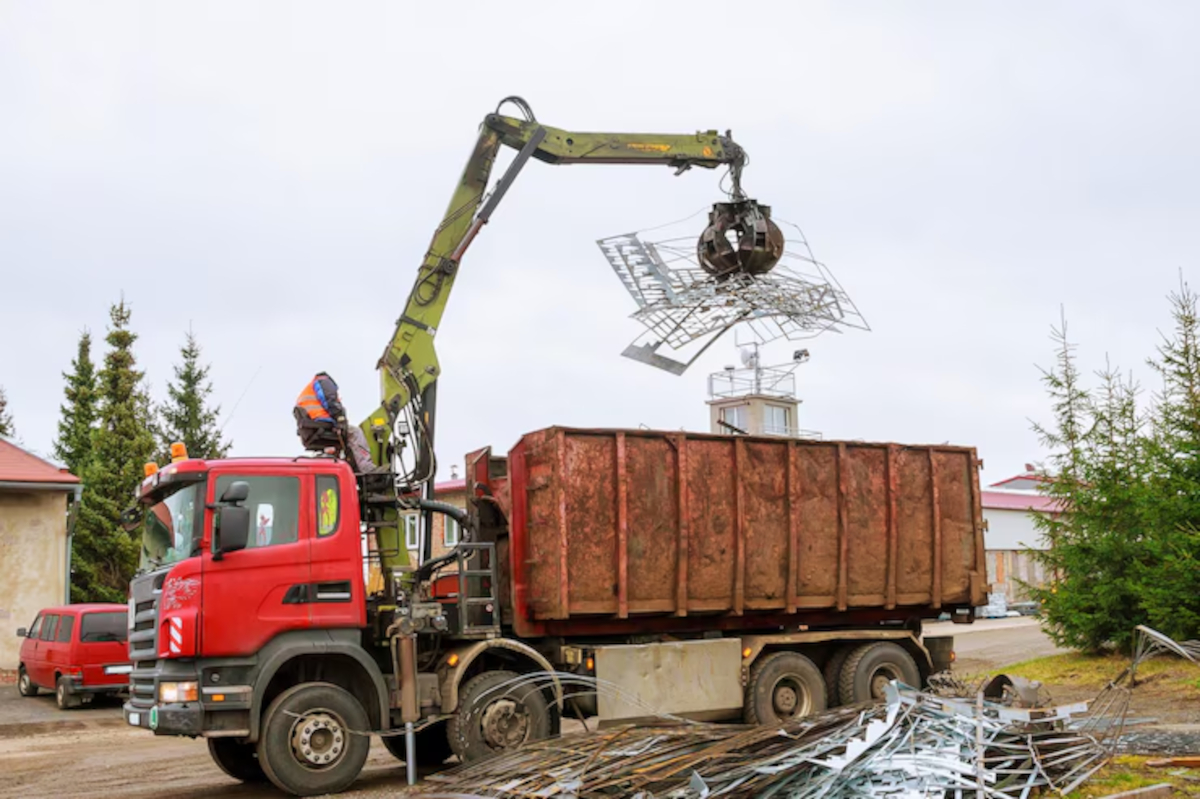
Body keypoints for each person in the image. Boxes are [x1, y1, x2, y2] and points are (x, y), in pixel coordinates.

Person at [294, 372, 385, 474]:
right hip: (322, 423)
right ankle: (367, 468)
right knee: (355, 432)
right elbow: (330, 400)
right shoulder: (324, 381)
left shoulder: (310, 388)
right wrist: (339, 418)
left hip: (314, 426)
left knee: (347, 438)